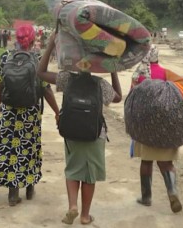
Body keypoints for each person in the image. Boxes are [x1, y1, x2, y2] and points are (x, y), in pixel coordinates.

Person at [37, 31, 122, 225]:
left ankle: (72, 206)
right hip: (94, 134)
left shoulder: (67, 79)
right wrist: (113, 69)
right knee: (89, 175)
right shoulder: (100, 83)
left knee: (73, 170)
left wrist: (50, 44)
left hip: (72, 132)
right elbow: (118, 97)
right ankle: (85, 216)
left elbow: (40, 73)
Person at [0, 24, 60, 207]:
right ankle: (29, 188)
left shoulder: (5, 57)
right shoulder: (37, 59)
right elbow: (46, 90)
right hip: (30, 114)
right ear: (31, 40)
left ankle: (13, 193)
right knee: (28, 149)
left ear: (16, 39)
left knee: (11, 150)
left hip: (9, 112)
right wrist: (57, 111)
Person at [130, 44, 182, 213]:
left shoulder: (138, 75)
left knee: (146, 160)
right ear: (157, 56)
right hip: (165, 124)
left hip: (144, 124)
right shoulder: (166, 73)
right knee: (166, 162)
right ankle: (172, 192)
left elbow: (131, 98)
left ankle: (146, 197)